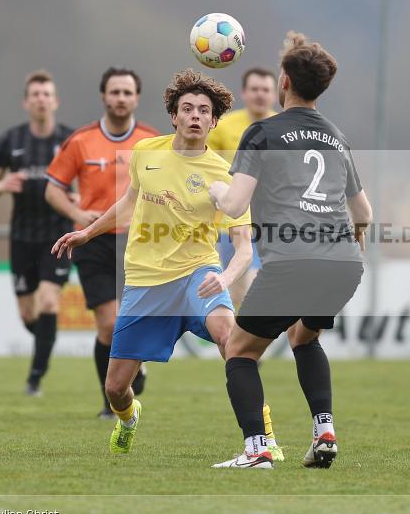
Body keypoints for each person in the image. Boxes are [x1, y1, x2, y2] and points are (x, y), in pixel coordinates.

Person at [52, 68, 279, 456]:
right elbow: (128, 202)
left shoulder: (227, 176)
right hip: (146, 281)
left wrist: (224, 278)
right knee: (115, 388)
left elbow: (244, 247)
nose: (195, 116)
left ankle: (264, 439)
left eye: (204, 111)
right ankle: (129, 417)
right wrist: (87, 232)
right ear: (173, 116)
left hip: (198, 276)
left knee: (231, 341)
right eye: (187, 108)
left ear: (214, 121)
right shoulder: (146, 153)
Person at [209, 32, 372, 469]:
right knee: (304, 336)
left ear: (283, 81)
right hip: (343, 263)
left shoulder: (262, 132)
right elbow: (364, 213)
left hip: (293, 260)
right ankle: (324, 431)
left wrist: (215, 189)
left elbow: (234, 205)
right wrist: (352, 243)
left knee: (240, 351)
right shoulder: (336, 137)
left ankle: (256, 449)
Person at [45, 66, 159, 418]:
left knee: (133, 322)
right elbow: (53, 189)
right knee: (108, 324)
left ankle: (133, 369)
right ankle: (111, 402)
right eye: (115, 92)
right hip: (93, 242)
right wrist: (78, 215)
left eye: (127, 92)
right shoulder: (81, 141)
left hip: (139, 243)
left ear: (137, 98)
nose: (121, 98)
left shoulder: (152, 142)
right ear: (103, 96)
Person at [0, 69, 75, 397]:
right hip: (22, 236)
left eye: (46, 94)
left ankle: (34, 379)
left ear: (55, 101)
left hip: (58, 235)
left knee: (48, 301)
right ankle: (46, 340)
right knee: (28, 314)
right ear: (26, 102)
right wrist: (2, 185)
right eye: (35, 94)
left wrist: (80, 200)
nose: (41, 100)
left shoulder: (70, 140)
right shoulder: (11, 140)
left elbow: (89, 180)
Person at [207, 67, 277, 307]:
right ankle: (238, 331)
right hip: (232, 222)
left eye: (265, 90)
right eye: (254, 89)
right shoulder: (224, 127)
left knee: (255, 284)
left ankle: (257, 330)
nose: (260, 94)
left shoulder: (283, 129)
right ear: (244, 93)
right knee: (236, 294)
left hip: (270, 222)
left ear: (274, 94)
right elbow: (207, 168)